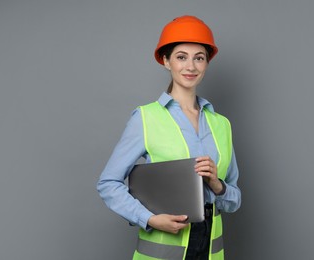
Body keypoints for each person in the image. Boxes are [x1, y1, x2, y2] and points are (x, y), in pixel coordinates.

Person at [97, 15, 241, 259]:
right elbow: (108, 183)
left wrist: (218, 185)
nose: (191, 66)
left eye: (199, 58)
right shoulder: (145, 118)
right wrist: (150, 219)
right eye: (181, 57)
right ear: (166, 61)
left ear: (207, 63)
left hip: (211, 252)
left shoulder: (221, 125)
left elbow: (234, 199)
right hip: (163, 250)